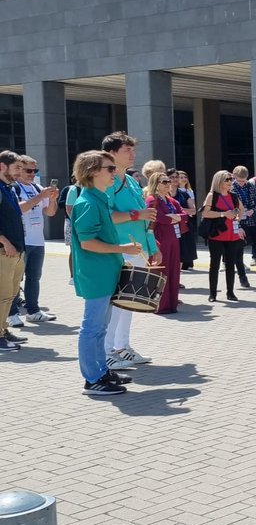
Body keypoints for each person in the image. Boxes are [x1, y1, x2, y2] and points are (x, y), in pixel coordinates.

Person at [70, 150, 143, 394]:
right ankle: (92, 379)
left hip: (105, 272)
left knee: (100, 328)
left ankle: (101, 371)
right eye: (109, 168)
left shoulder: (98, 198)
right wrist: (122, 249)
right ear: (92, 172)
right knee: (92, 328)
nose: (115, 172)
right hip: (96, 275)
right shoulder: (88, 203)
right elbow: (87, 242)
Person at [101, 132, 161, 368]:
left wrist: (153, 247)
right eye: (127, 150)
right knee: (115, 303)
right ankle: (106, 352)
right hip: (119, 249)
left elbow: (147, 219)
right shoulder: (107, 181)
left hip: (138, 249)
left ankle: (122, 347)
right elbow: (106, 216)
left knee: (129, 302)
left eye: (133, 149)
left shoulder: (132, 181)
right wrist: (136, 214)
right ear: (112, 153)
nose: (133, 154)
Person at [8, 154, 57, 326]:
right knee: (15, 278)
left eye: (35, 171)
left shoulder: (37, 188)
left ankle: (33, 311)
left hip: (37, 240)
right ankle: (11, 313)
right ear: (19, 170)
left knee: (34, 277)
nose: (32, 174)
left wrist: (52, 199)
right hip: (21, 240)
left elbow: (50, 212)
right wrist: (40, 197)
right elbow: (18, 209)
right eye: (28, 170)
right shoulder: (14, 188)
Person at [200, 170, 246, 303]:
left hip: (232, 235)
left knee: (231, 264)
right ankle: (212, 293)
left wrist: (236, 218)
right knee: (214, 265)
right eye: (227, 179)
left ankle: (230, 292)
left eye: (231, 179)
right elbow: (205, 213)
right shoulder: (212, 196)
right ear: (219, 181)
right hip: (216, 235)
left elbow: (241, 210)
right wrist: (223, 214)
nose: (230, 182)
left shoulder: (233, 196)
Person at [144, 172, 183, 314]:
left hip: (173, 238)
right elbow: (157, 218)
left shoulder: (170, 200)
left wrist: (174, 217)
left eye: (168, 181)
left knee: (174, 271)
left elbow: (184, 215)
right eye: (164, 182)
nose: (168, 184)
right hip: (160, 239)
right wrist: (172, 218)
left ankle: (172, 303)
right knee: (162, 271)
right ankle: (161, 305)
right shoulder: (152, 199)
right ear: (156, 184)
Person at [0, 151, 27, 352]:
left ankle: (3, 329)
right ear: (2, 166)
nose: (20, 172)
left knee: (10, 295)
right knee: (2, 295)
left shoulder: (9, 188)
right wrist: (4, 241)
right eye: (16, 168)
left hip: (16, 252)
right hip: (4, 251)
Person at [173, 170, 198, 271]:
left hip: (185, 221)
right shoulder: (167, 193)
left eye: (185, 177)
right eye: (181, 177)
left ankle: (187, 263)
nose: (183, 179)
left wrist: (179, 210)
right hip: (172, 223)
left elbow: (193, 210)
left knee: (186, 244)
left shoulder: (187, 192)